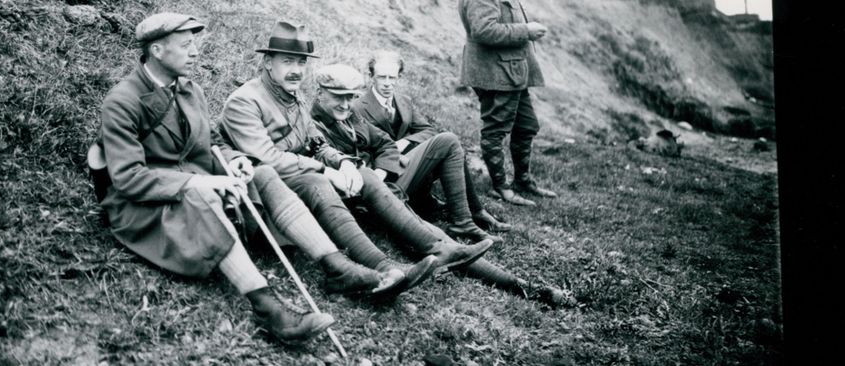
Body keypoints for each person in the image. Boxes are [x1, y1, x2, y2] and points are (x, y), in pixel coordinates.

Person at [95, 13, 402, 344]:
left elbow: (212, 141)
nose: (196, 52)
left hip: (196, 185)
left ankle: (337, 267)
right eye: (186, 45)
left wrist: (237, 160)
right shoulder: (123, 101)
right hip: (146, 204)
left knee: (264, 172)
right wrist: (200, 183)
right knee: (204, 198)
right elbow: (127, 178)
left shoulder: (190, 90)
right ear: (156, 50)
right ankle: (269, 309)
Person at [218, 21, 490, 291]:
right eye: (288, 62)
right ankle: (383, 266)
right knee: (318, 182)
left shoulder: (293, 97)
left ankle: (437, 248)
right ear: (268, 62)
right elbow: (267, 158)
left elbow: (316, 142)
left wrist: (343, 163)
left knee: (366, 175)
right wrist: (325, 170)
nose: (296, 71)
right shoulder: (245, 100)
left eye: (301, 63)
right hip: (266, 190)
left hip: (299, 177)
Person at [310, 64, 577, 308]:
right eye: (338, 96)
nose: (346, 104)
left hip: (382, 191)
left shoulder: (350, 118)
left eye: (350, 97)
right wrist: (367, 176)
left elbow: (385, 144)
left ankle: (526, 287)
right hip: (358, 206)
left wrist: (379, 172)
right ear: (320, 93)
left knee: (444, 243)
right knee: (440, 242)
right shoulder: (314, 126)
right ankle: (525, 287)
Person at [354, 50, 512, 239]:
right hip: (386, 179)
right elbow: (361, 154)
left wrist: (404, 143)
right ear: (371, 76)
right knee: (448, 141)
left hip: (408, 168)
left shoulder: (403, 101)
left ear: (399, 77)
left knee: (451, 148)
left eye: (392, 77)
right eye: (381, 77)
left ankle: (474, 211)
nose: (387, 83)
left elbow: (428, 130)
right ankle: (463, 222)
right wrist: (390, 154)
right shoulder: (357, 108)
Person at [458, 0, 558, 206]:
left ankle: (523, 181)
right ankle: (501, 187)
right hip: (496, 72)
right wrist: (526, 31)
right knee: (496, 129)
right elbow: (484, 30)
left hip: (510, 70)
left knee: (526, 126)